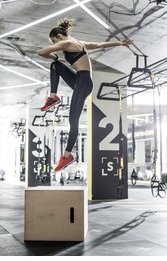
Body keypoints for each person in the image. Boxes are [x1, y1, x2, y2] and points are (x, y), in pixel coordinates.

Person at [38, 18, 133, 172]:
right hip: (81, 80)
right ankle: (53, 97)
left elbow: (41, 52)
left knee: (73, 120)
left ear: (58, 37)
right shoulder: (78, 42)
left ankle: (67, 155)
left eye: (54, 41)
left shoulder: (65, 43)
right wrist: (119, 43)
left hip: (83, 83)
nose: (55, 44)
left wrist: (55, 54)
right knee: (55, 66)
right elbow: (99, 45)